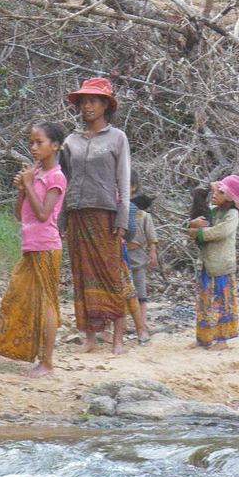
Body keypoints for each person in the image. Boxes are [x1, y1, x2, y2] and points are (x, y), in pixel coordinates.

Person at [0, 122, 67, 378]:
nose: (33, 147)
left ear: (54, 146)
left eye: (39, 142)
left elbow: (44, 215)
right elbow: (21, 216)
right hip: (31, 246)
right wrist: (22, 190)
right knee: (13, 298)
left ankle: (47, 363)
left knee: (47, 304)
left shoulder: (56, 176)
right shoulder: (37, 174)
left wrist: (30, 184)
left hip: (46, 247)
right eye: (31, 142)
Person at [60, 77, 148, 355]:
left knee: (111, 275)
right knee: (81, 274)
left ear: (105, 106)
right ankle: (89, 337)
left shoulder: (117, 137)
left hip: (105, 215)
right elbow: (65, 181)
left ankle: (119, 337)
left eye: (94, 101)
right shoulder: (70, 141)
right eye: (84, 101)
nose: (88, 106)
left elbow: (123, 181)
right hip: (76, 214)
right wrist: (61, 220)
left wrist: (123, 220)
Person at [188, 174, 239, 351]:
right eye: (215, 191)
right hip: (206, 265)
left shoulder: (232, 214)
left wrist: (197, 232)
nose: (214, 195)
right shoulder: (213, 212)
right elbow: (195, 225)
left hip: (221, 267)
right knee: (204, 301)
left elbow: (220, 232)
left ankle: (222, 340)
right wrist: (192, 223)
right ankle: (203, 338)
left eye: (219, 192)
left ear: (229, 197)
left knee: (222, 303)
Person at [128, 170, 158, 340]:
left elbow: (151, 236)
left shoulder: (143, 215)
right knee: (124, 292)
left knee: (141, 294)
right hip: (121, 259)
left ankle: (142, 324)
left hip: (138, 258)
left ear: (133, 187)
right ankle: (127, 324)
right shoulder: (116, 211)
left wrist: (152, 252)